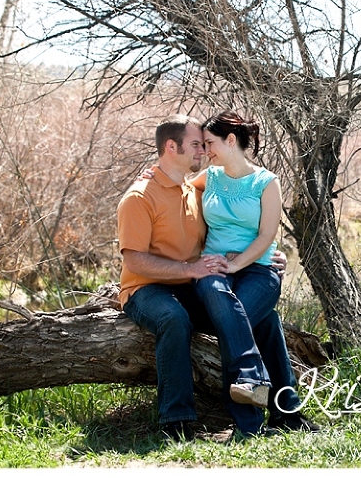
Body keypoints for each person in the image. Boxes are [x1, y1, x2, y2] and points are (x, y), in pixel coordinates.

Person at [117, 114, 316, 442]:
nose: (202, 152)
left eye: (205, 144)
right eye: (196, 145)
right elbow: (134, 260)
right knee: (173, 318)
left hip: (191, 285)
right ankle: (176, 421)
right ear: (171, 147)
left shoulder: (195, 188)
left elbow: (239, 226)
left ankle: (285, 413)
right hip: (146, 289)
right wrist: (188, 270)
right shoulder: (139, 197)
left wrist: (265, 255)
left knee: (265, 319)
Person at [188, 111, 318, 434]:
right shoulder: (210, 178)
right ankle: (281, 412)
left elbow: (266, 237)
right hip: (214, 268)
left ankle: (249, 419)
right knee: (265, 321)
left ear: (231, 141)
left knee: (235, 317)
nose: (206, 151)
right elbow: (175, 189)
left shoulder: (266, 183)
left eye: (210, 143)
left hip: (259, 270)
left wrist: (235, 263)